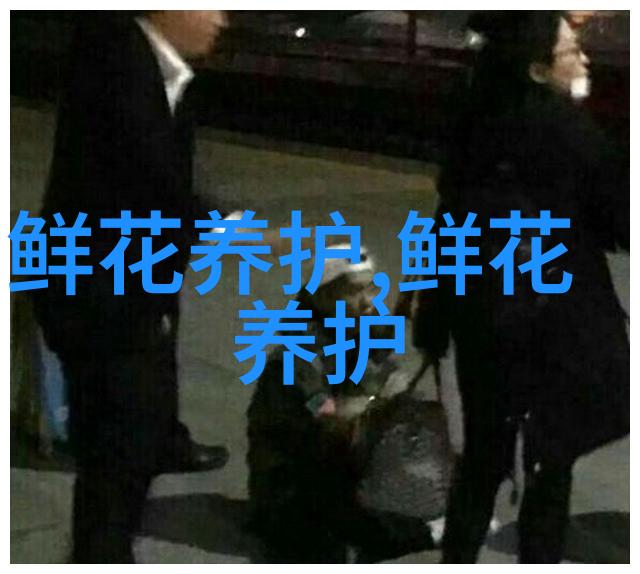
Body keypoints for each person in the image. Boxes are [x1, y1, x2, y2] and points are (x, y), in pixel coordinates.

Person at [413, 11, 629, 563]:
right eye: (571, 52)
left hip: (479, 316)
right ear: (537, 69)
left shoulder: (475, 118)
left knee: (482, 460)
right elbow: (620, 223)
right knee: (548, 469)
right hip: (551, 322)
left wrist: (433, 313)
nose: (583, 59)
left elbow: (447, 216)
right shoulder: (571, 132)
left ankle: (458, 558)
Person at [33, 11, 231, 562]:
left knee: (128, 448)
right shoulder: (115, 61)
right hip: (100, 298)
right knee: (115, 462)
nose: (222, 18)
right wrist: (228, 228)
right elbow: (144, 181)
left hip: (122, 292)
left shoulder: (151, 64)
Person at [246, 247, 442, 563]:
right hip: (291, 485)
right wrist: (379, 407)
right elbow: (334, 424)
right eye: (354, 292)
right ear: (324, 297)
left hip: (332, 467)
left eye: (370, 289)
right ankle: (421, 533)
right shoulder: (297, 358)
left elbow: (381, 367)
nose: (367, 302)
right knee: (332, 540)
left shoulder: (349, 327)